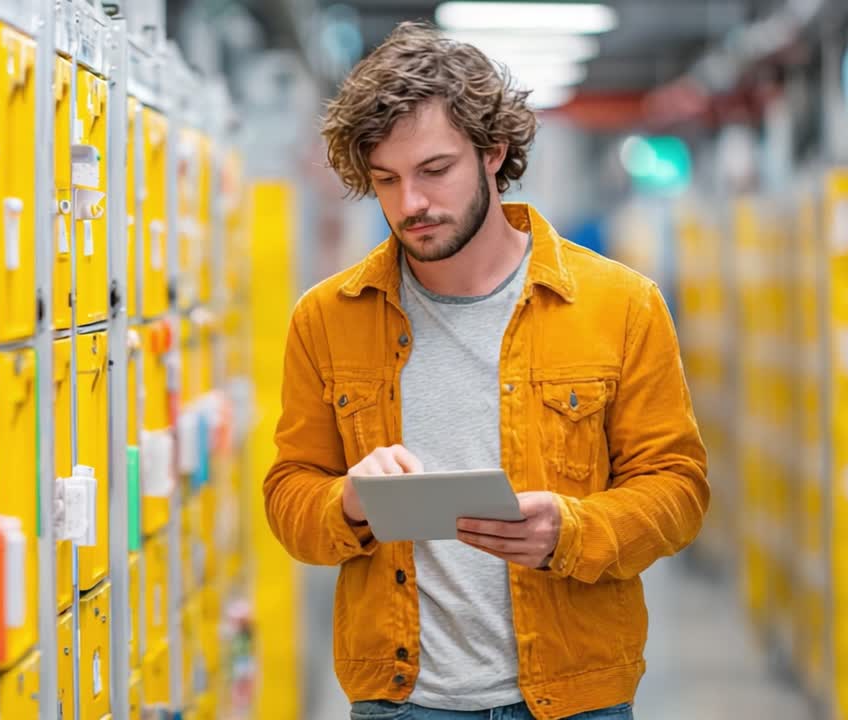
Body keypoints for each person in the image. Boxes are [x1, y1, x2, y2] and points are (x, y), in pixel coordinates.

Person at [262, 22, 709, 720]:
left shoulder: (620, 305)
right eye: (386, 179)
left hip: (575, 697)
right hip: (402, 701)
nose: (410, 204)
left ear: (492, 152)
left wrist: (573, 530)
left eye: (434, 171)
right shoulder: (326, 319)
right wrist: (348, 500)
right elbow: (289, 495)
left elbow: (678, 489)